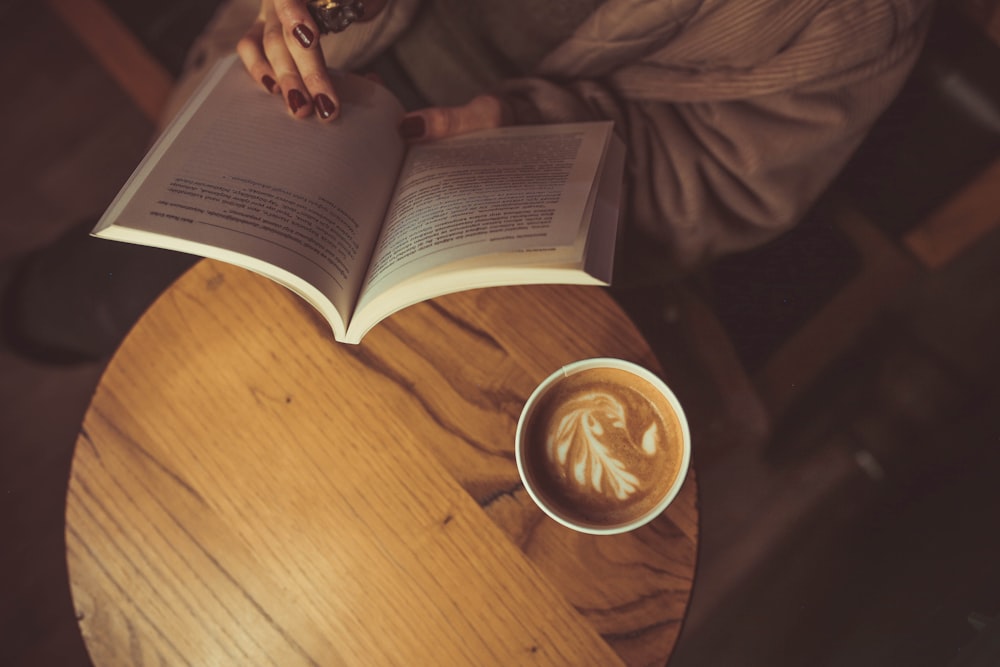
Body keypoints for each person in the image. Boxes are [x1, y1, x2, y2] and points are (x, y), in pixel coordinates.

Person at [2, 0, 934, 362]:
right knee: (128, 287)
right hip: (336, 71)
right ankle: (32, 310)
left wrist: (522, 127)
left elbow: (729, 182)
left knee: (369, 409)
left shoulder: (863, 15)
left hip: (529, 184)